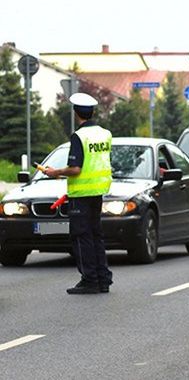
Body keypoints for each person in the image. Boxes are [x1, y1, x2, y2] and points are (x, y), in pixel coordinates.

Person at [44, 93, 113, 294]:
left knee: (81, 236)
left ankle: (89, 280)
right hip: (98, 191)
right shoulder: (104, 134)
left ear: (76, 113)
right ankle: (103, 279)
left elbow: (75, 169)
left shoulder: (78, 136)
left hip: (81, 194)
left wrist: (54, 172)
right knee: (96, 235)